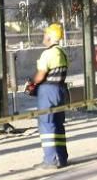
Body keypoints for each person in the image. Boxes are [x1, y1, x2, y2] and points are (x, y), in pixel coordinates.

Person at [29, 23, 70, 169]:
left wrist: (31, 83)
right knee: (58, 125)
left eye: (45, 34)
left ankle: (50, 160)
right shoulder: (62, 52)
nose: (43, 36)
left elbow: (40, 75)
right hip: (60, 90)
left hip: (48, 91)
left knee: (46, 125)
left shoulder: (48, 53)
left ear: (50, 36)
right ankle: (62, 158)